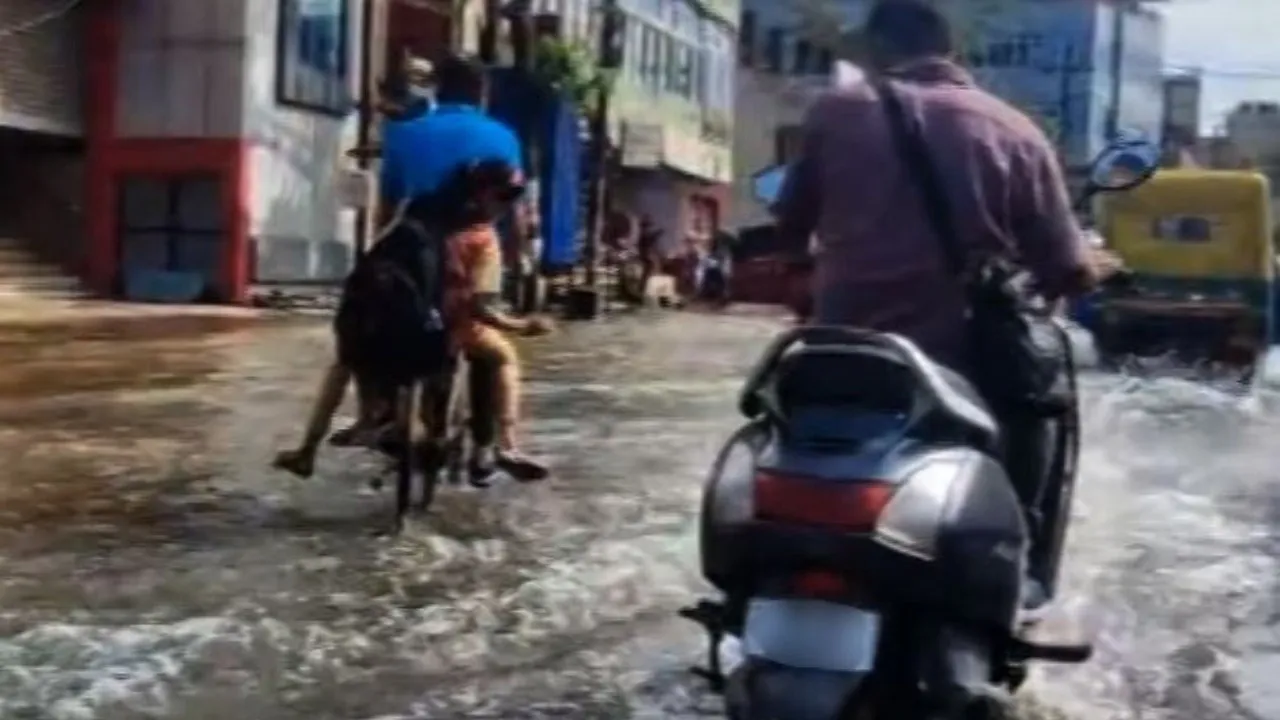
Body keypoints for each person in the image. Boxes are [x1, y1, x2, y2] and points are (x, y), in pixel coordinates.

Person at [772, 0, 1122, 597]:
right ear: (950, 51)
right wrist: (1096, 267)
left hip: (843, 358)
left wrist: (811, 276)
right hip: (964, 373)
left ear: (881, 49)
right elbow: (1064, 268)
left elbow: (789, 226)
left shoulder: (836, 113)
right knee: (1038, 422)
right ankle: (1024, 582)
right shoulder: (1016, 132)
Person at [274, 54, 550, 482]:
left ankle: (363, 420)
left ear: (437, 90)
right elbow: (512, 223)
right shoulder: (501, 142)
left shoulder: (404, 134)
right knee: (488, 348)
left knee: (358, 341)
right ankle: (490, 446)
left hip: (404, 258)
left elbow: (388, 209)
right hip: (461, 283)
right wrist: (516, 275)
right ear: (482, 94)